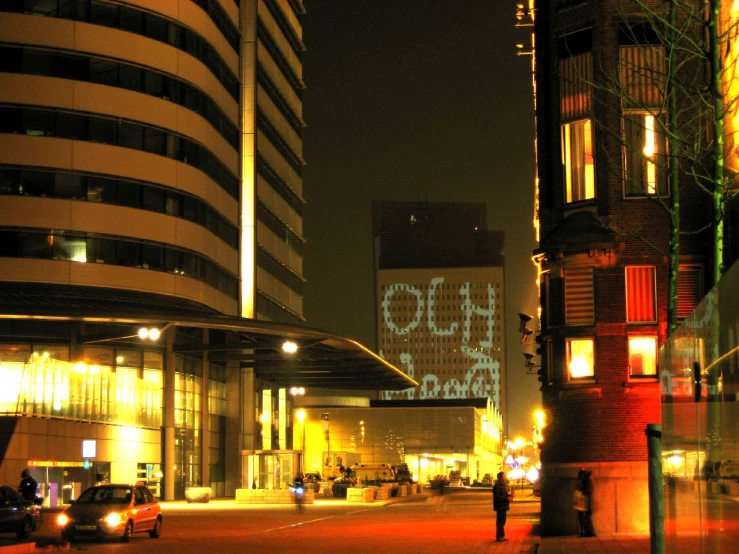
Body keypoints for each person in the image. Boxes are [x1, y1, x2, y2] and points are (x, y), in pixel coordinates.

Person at [575, 468, 596, 537]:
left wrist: (581, 491)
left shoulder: (587, 481)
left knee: (587, 517)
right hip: (582, 502)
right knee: (585, 517)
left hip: (586, 502)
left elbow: (588, 491)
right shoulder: (584, 481)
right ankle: (587, 532)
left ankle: (591, 532)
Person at [492, 471, 512, 542]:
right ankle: (499, 536)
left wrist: (509, 496)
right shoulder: (497, 485)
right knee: (500, 522)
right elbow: (498, 496)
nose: (505, 477)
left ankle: (502, 536)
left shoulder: (503, 485)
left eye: (505, 476)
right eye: (504, 476)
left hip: (503, 506)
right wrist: (506, 498)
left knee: (503, 522)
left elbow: (504, 494)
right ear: (500, 477)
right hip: (500, 506)